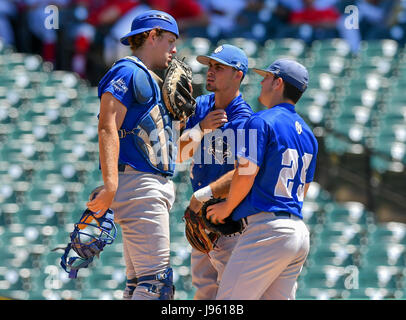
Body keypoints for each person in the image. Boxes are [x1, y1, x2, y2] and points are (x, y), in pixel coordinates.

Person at [86, 9, 182, 300]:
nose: (174, 49)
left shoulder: (148, 78)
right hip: (140, 185)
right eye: (169, 40)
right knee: (156, 286)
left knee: (139, 284)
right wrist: (111, 184)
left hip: (144, 182)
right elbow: (107, 127)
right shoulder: (128, 70)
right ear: (152, 37)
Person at [206, 58, 318, 300]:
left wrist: (227, 207)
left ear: (278, 83)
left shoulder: (261, 120)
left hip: (266, 231)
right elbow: (304, 188)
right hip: (297, 231)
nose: (261, 82)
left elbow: (246, 172)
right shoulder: (309, 134)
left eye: (266, 77)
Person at [178, 44, 253, 299]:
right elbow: (177, 155)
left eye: (219, 67)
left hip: (229, 223)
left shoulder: (245, 120)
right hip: (199, 219)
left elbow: (245, 174)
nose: (211, 71)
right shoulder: (201, 106)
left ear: (238, 75)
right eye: (210, 66)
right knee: (204, 293)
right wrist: (199, 130)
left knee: (231, 297)